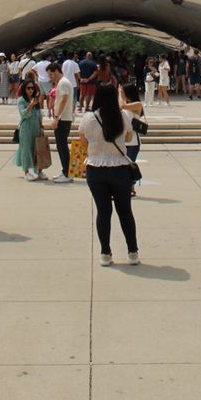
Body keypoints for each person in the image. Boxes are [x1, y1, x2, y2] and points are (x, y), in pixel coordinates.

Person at [78, 83, 139, 266]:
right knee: (125, 211)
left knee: (103, 212)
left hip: (96, 169)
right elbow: (128, 138)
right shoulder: (121, 116)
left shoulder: (88, 118)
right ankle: (132, 252)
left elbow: (83, 141)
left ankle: (105, 253)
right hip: (119, 168)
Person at [48, 61, 74, 182]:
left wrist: (56, 118)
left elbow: (64, 100)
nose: (50, 77)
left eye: (51, 74)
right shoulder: (64, 82)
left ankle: (67, 173)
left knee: (62, 146)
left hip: (62, 119)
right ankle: (66, 171)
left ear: (56, 71)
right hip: (65, 117)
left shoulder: (63, 83)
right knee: (61, 146)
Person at [14, 78, 43, 180]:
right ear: (24, 89)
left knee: (38, 148)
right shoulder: (21, 100)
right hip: (26, 127)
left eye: (32, 88)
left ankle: (39, 170)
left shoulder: (35, 99)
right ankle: (26, 171)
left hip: (36, 126)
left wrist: (41, 126)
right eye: (28, 88)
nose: (30, 90)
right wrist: (30, 105)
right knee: (26, 148)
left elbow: (39, 114)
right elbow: (23, 114)